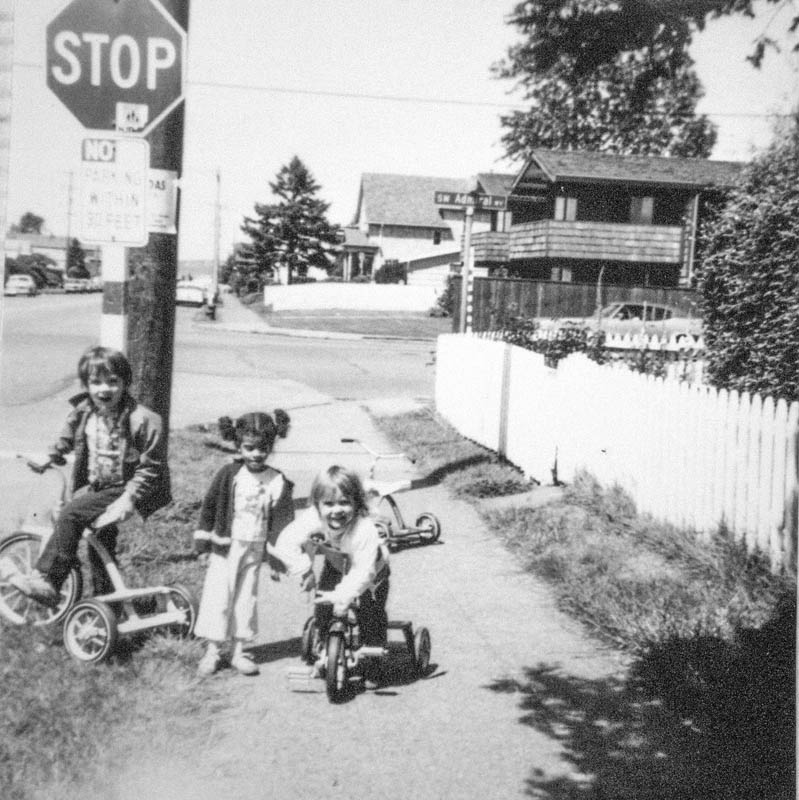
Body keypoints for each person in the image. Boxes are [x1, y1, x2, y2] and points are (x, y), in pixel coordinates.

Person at [16, 346, 171, 605]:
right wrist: (50, 456)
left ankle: (49, 581)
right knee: (99, 546)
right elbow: (67, 436)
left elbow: (152, 466)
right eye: (95, 382)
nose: (104, 390)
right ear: (86, 385)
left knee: (71, 514)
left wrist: (129, 499)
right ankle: (107, 602)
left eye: (113, 382)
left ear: (125, 383)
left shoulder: (142, 419)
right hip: (95, 486)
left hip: (123, 487)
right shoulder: (85, 410)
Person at [193, 411, 294, 677]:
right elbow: (209, 508)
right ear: (238, 445)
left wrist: (277, 559)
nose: (256, 454)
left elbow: (283, 524)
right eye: (249, 448)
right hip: (228, 547)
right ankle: (212, 651)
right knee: (219, 596)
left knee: (246, 598)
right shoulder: (229, 475)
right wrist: (203, 545)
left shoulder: (276, 480)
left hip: (255, 547)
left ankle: (239, 651)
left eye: (264, 448)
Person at [272, 465, 390, 688]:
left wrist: (344, 595)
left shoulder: (364, 529)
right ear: (317, 505)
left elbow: (363, 571)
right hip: (336, 565)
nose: (337, 510)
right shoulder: (312, 519)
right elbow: (286, 541)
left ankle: (373, 663)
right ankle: (326, 650)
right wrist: (304, 569)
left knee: (370, 613)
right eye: (329, 504)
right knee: (324, 607)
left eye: (345, 502)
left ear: (357, 503)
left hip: (372, 574)